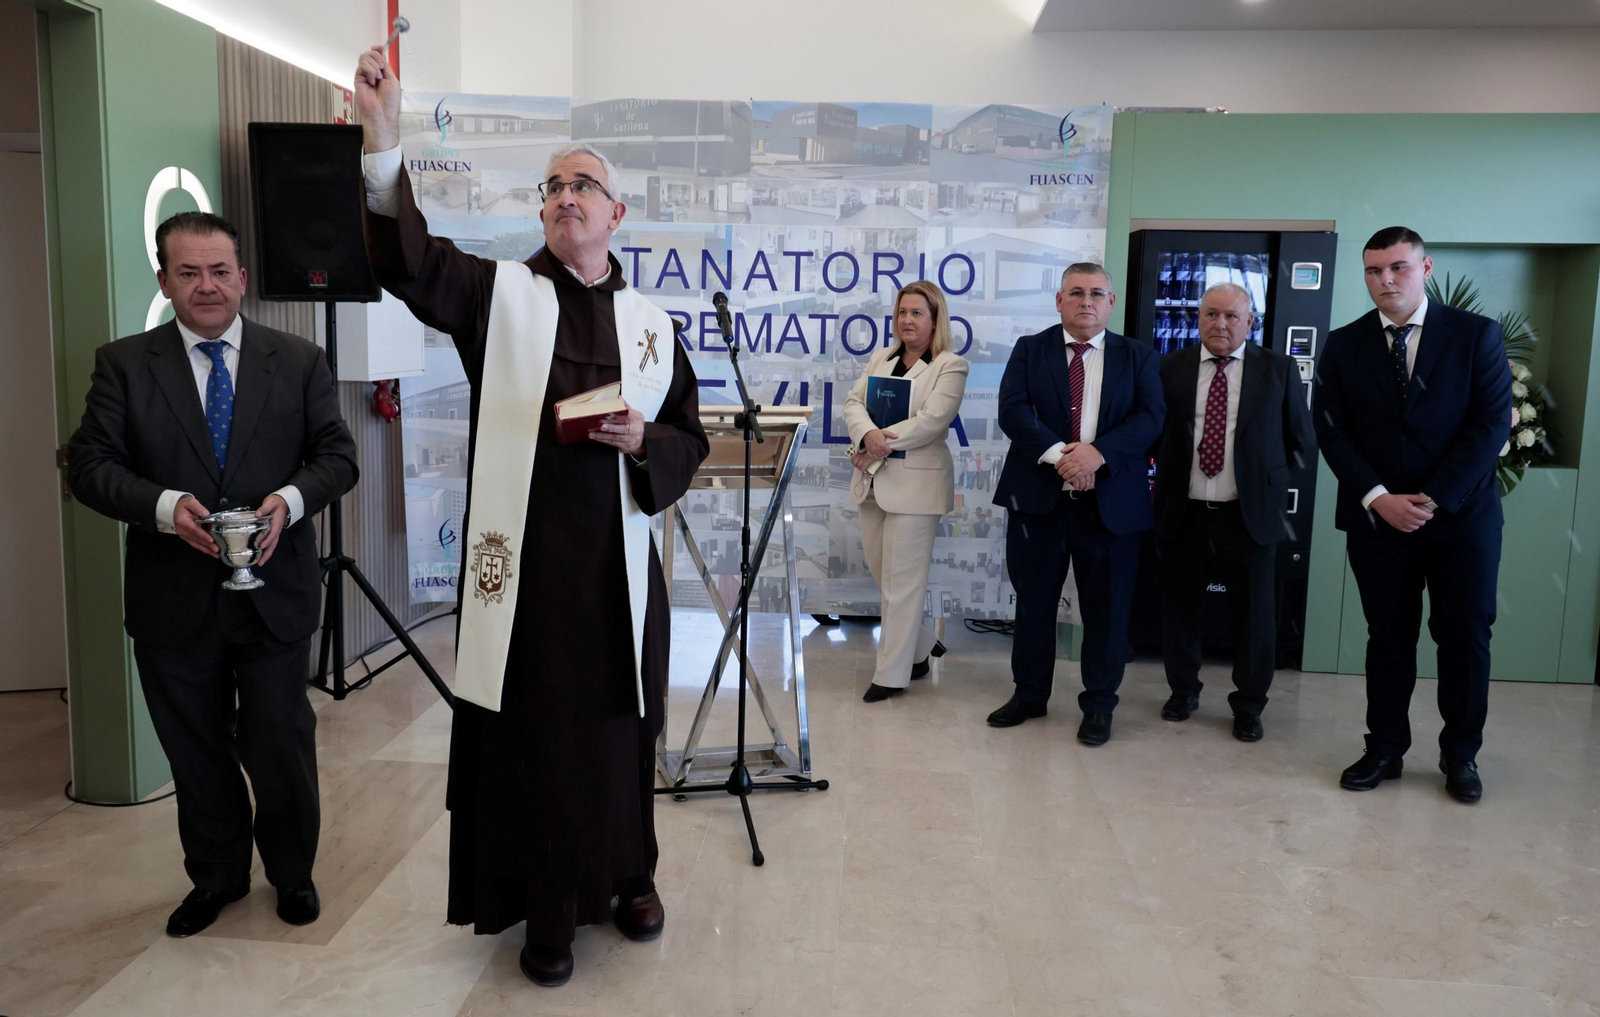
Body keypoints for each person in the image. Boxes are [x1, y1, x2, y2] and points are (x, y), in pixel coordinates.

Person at [354, 48, 709, 985]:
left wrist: (643, 441)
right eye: (553, 187)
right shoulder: (499, 295)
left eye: (583, 185)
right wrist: (384, 144)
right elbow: (410, 260)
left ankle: (631, 874)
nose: (564, 197)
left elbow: (689, 436)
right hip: (526, 575)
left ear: (617, 214)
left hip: (619, 575)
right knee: (543, 747)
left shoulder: (652, 325)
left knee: (624, 733)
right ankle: (547, 908)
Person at [66, 211, 358, 936]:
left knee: (279, 743)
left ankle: (292, 873)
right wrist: (166, 508)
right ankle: (218, 876)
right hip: (173, 598)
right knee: (195, 749)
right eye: (188, 272)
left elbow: (337, 457)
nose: (207, 286)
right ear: (163, 281)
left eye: (220, 271)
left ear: (242, 278)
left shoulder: (298, 360)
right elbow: (91, 467)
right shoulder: (124, 364)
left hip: (276, 593)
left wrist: (290, 501)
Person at [1314, 227, 1511, 804]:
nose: (1385, 280)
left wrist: (1432, 499)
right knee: (1388, 638)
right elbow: (1332, 430)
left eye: (1398, 267)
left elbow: (1489, 425)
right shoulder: (1344, 344)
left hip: (1461, 520)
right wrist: (1379, 497)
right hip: (1378, 522)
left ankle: (1461, 756)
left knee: (1465, 638)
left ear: (1425, 268)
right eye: (1374, 270)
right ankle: (1385, 749)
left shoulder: (1476, 335)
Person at [988, 263, 1164, 745]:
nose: (1087, 301)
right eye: (1076, 293)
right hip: (1038, 503)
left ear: (1111, 302)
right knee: (1033, 605)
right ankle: (1029, 695)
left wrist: (1097, 454)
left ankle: (1100, 705)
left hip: (1110, 507)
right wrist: (1060, 457)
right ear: (1059, 301)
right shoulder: (1030, 349)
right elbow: (1012, 410)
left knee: (1107, 611)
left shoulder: (1139, 356)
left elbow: (1151, 418)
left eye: (1097, 293)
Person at [1151, 283, 1316, 741]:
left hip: (1248, 516)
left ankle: (1249, 705)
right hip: (1184, 513)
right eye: (1211, 314)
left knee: (1255, 618)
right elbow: (1152, 433)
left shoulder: (1278, 369)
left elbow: (1301, 440)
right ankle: (1183, 691)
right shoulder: (1169, 367)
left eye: (1231, 316)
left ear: (1250, 322)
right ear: (1198, 318)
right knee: (1180, 611)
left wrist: (1268, 484)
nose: (1220, 324)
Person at [843, 281, 969, 702]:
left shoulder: (950, 365)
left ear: (935, 319)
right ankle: (920, 647)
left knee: (901, 583)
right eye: (902, 312)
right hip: (873, 480)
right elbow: (853, 403)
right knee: (888, 579)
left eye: (917, 313)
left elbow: (932, 421)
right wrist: (867, 435)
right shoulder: (882, 357)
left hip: (916, 485)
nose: (907, 320)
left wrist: (878, 442)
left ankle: (891, 675)